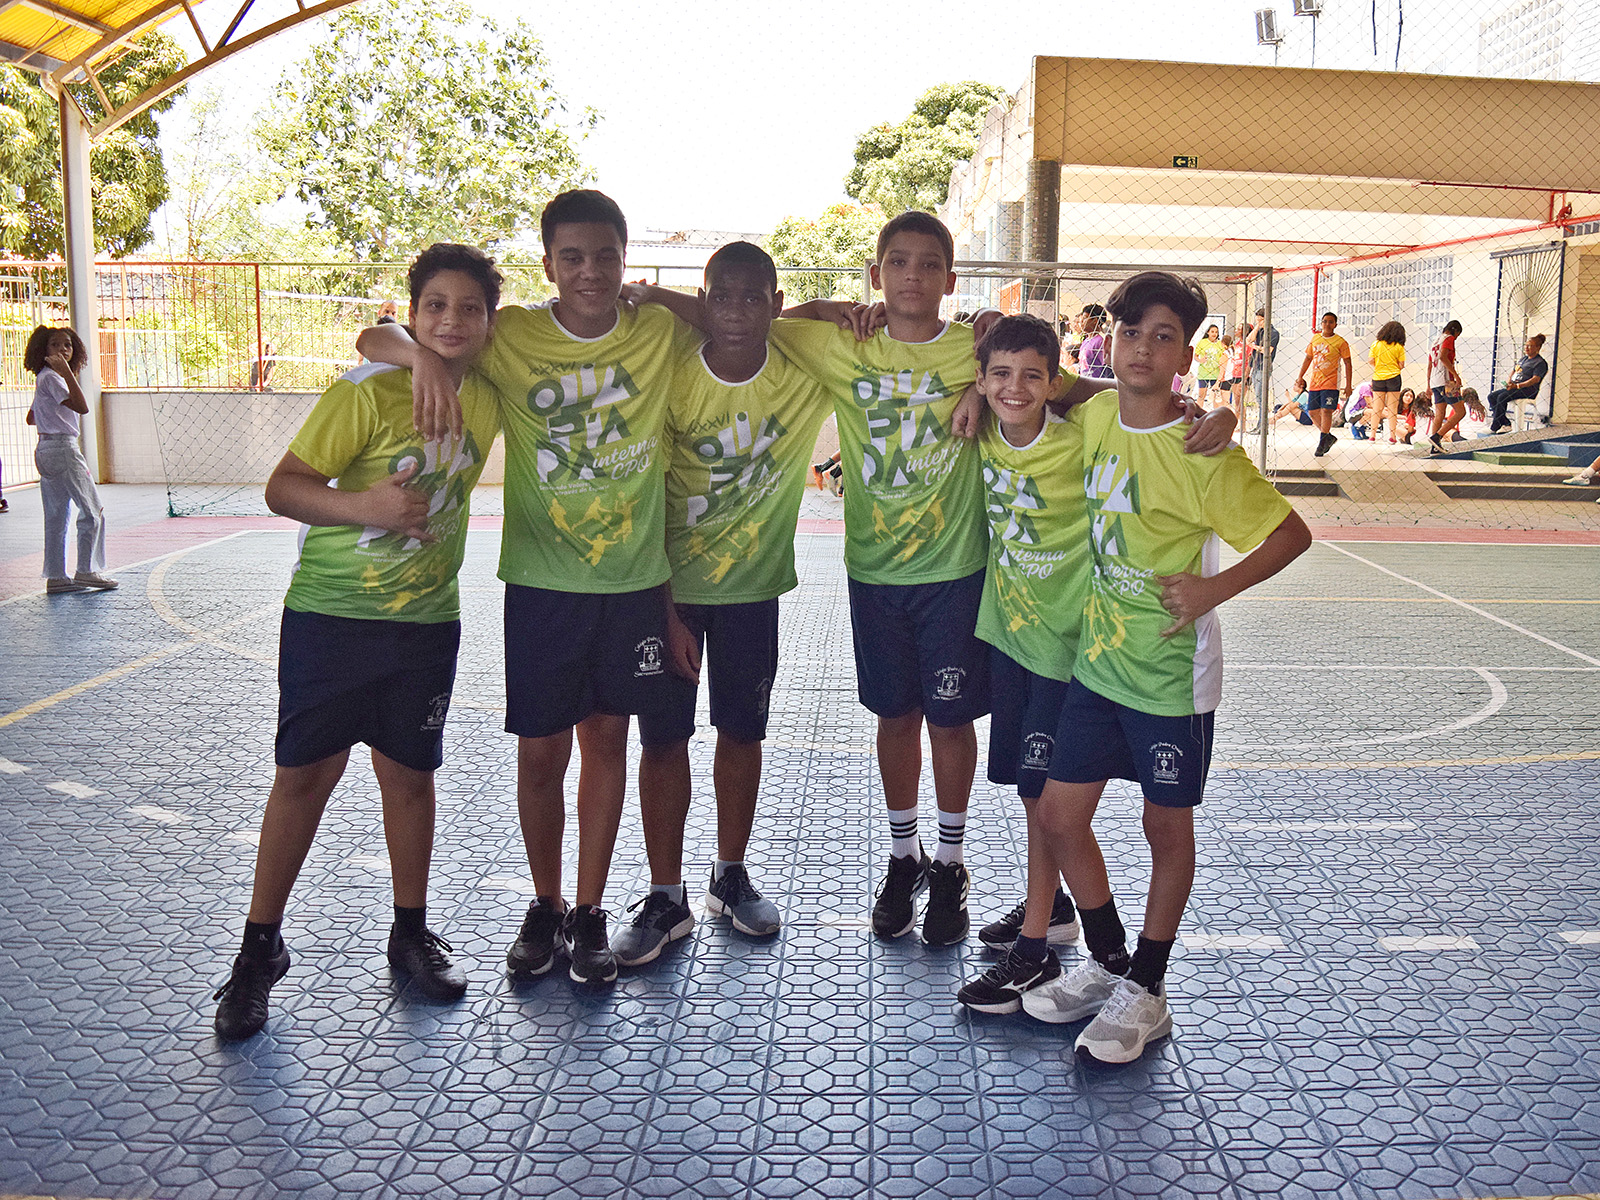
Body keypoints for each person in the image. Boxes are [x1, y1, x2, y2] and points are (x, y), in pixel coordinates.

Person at [357, 190, 704, 987]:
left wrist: (657, 293)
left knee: (606, 744)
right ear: (548, 265)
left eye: (606, 257)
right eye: (572, 257)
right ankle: (545, 904)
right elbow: (376, 334)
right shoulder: (510, 334)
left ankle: (589, 911)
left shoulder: (655, 330)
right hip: (544, 583)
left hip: (631, 581)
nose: (590, 272)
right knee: (542, 752)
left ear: (625, 261)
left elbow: (731, 319)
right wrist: (418, 358)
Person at [1016, 271, 1312, 1064]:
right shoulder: (1095, 413)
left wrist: (1214, 588)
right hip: (1098, 662)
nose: (1142, 348)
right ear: (1108, 337)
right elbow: (1043, 379)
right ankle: (1115, 963)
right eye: (1130, 331)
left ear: (1186, 354)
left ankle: (1149, 990)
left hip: (1170, 676)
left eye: (1163, 336)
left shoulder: (1203, 453)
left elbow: (1292, 535)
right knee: (1058, 816)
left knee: (1163, 826)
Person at [211, 243, 504, 1040]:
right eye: (434, 306)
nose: (451, 320)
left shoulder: (490, 392)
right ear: (414, 312)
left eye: (469, 308)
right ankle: (258, 952)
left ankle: (410, 933)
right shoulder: (367, 392)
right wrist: (365, 506)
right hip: (332, 618)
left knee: (409, 778)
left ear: (489, 322)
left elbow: (386, 332)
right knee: (304, 778)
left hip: (425, 624)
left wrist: (419, 355)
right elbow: (283, 487)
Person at [953, 314, 1237, 1013]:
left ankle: (1038, 944)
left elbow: (1121, 403)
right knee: (1034, 796)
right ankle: (1055, 917)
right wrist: (969, 387)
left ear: (1054, 382)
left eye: (1032, 377)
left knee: (1049, 801)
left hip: (1073, 645)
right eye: (999, 376)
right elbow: (1003, 373)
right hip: (1012, 636)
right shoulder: (985, 426)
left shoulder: (1082, 432)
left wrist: (1204, 409)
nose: (1014, 387)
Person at [609, 243, 836, 964]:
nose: (736, 311)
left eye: (753, 297)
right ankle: (665, 894)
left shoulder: (801, 370)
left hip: (751, 591)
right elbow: (643, 493)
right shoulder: (673, 373)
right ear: (703, 301)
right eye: (721, 296)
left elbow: (855, 327)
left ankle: (729, 875)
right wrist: (666, 606)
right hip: (668, 588)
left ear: (776, 304)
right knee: (662, 740)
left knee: (742, 733)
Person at [23, 326, 116, 594]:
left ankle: (56, 576)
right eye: (55, 345)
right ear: (43, 350)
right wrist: (66, 373)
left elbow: (31, 418)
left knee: (56, 516)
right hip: (63, 448)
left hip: (45, 448)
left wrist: (51, 412)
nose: (63, 350)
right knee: (92, 510)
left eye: (68, 345)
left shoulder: (43, 378)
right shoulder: (54, 378)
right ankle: (86, 570)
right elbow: (83, 407)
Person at [1292, 311, 1353, 457]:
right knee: (1312, 411)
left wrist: (1348, 385)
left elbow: (1348, 363)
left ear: (1335, 324)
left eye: (1331, 322)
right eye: (1325, 321)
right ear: (1321, 323)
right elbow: (1308, 358)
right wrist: (1300, 376)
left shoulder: (1340, 342)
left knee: (1326, 410)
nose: (1327, 324)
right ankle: (1327, 437)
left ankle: (1321, 442)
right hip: (1315, 382)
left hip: (1331, 382)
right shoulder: (1315, 339)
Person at [1488, 335, 1549, 433]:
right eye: (1526, 345)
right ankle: (1505, 423)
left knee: (1502, 397)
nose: (1526, 348)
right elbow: (1514, 371)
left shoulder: (1540, 363)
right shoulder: (1523, 359)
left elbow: (1535, 380)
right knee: (1492, 396)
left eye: (1530, 346)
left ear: (1537, 347)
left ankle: (1495, 427)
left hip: (1527, 390)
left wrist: (1518, 386)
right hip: (1514, 387)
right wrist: (1509, 382)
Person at [1426, 320, 1464, 453]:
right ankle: (1437, 437)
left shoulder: (1435, 341)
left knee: (1440, 414)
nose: (1456, 338)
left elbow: (1430, 365)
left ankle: (1435, 447)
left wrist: (1428, 385)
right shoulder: (1449, 339)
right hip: (1446, 381)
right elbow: (1443, 357)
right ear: (1455, 331)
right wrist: (1456, 375)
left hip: (1435, 381)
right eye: (1457, 335)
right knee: (1461, 412)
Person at [1368, 320, 1406, 439]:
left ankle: (1372, 435)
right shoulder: (1399, 347)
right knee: (1392, 408)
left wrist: (1380, 366)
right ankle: (1392, 436)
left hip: (1378, 377)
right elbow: (1401, 365)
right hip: (1394, 378)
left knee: (1377, 408)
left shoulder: (1376, 344)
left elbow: (1370, 360)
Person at [1192, 324, 1225, 407]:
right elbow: (1195, 356)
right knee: (1201, 395)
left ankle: (1216, 413)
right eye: (1212, 332)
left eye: (1216, 332)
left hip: (1216, 372)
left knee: (1215, 396)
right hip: (1204, 372)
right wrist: (1200, 360)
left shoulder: (1220, 344)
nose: (1214, 334)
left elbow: (1224, 356)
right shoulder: (1202, 342)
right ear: (1208, 332)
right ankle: (1199, 412)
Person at [1077, 304, 1111, 379]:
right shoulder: (1086, 341)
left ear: (1095, 321)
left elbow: (1107, 367)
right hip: (1085, 382)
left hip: (1096, 383)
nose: (1081, 321)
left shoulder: (1100, 341)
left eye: (1085, 318)